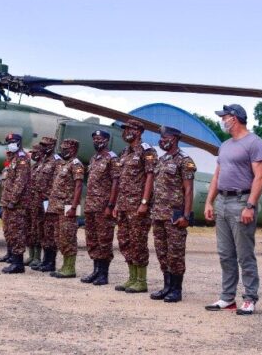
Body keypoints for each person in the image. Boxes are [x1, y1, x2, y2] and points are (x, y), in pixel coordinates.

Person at [204, 104, 262, 315]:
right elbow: (217, 174)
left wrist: (250, 205)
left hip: (241, 201)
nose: (223, 120)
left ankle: (249, 298)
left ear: (235, 118)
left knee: (244, 254)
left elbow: (260, 176)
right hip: (222, 201)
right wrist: (209, 202)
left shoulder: (255, 143)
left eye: (225, 117)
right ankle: (227, 297)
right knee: (225, 254)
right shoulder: (225, 145)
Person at [149, 126, 196, 303]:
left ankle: (177, 289)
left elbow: (189, 189)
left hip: (175, 215)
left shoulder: (184, 160)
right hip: (159, 214)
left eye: (165, 137)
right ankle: (167, 286)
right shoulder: (161, 160)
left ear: (175, 138)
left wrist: (186, 216)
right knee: (162, 252)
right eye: (161, 138)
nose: (162, 141)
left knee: (175, 253)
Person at [113, 119, 157, 293]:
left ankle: (141, 280)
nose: (125, 132)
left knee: (138, 242)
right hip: (123, 205)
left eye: (129, 129)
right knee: (124, 240)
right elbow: (121, 181)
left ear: (138, 131)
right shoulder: (125, 152)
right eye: (125, 129)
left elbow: (150, 177)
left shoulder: (147, 151)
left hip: (137, 205)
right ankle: (131, 277)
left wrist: (145, 202)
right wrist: (116, 203)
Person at [81, 130, 119, 286]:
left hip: (104, 206)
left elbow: (116, 182)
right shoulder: (94, 158)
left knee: (104, 240)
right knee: (92, 239)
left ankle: (104, 274)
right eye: (95, 139)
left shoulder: (112, 158)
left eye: (100, 138)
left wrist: (111, 205)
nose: (97, 141)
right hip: (91, 206)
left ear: (107, 140)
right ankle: (96, 271)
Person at [47, 139, 84, 278]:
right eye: (62, 148)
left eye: (66, 149)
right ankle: (64, 265)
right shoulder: (62, 164)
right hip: (57, 207)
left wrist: (74, 207)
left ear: (73, 149)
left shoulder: (76, 164)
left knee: (68, 237)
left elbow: (79, 186)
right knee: (60, 237)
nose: (63, 151)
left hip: (68, 207)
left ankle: (70, 268)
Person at [0, 133, 30, 274]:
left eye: (14, 141)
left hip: (16, 203)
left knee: (17, 232)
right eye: (9, 142)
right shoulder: (13, 159)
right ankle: (13, 259)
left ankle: (18, 264)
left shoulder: (22, 159)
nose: (11, 143)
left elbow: (20, 182)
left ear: (19, 142)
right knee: (10, 231)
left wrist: (13, 200)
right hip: (7, 202)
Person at [31, 136, 61, 273]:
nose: (43, 147)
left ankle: (51, 262)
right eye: (42, 145)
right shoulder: (43, 161)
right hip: (39, 201)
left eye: (45, 145)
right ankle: (44, 260)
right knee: (41, 231)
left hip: (48, 201)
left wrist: (51, 200)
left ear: (52, 146)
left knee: (49, 232)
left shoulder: (56, 161)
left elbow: (58, 182)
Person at [23, 144, 44, 268]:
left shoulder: (44, 166)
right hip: (30, 203)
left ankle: (37, 257)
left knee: (38, 230)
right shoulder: (34, 166)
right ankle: (31, 256)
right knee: (29, 230)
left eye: (36, 152)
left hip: (39, 204)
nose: (33, 154)